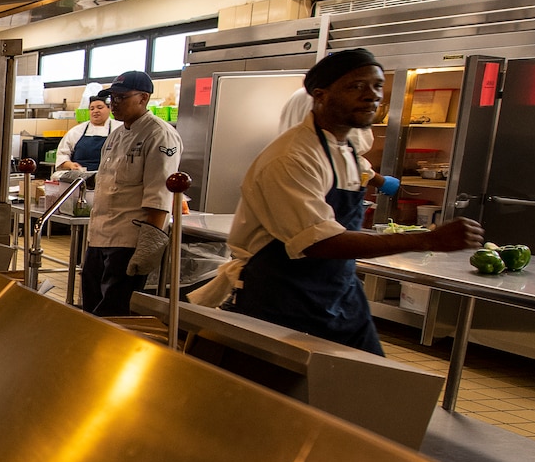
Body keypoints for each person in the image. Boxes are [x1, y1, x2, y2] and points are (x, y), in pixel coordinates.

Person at [190, 47, 482, 354]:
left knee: (367, 384)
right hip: (283, 297)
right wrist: (427, 240)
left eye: (377, 86)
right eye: (355, 86)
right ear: (320, 95)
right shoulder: (292, 157)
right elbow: (319, 243)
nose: (371, 96)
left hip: (339, 293)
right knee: (278, 392)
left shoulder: (347, 150)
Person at [81, 70, 181, 316]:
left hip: (128, 241)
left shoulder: (159, 134)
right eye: (112, 98)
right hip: (100, 236)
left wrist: (149, 246)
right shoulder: (116, 135)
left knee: (114, 314)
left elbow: (159, 194)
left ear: (143, 98)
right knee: (91, 308)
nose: (114, 104)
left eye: (121, 98)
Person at [53, 94, 117, 176]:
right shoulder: (77, 131)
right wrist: (70, 165)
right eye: (92, 109)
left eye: (100, 107)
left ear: (109, 108)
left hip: (108, 176)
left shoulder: (118, 129)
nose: (95, 111)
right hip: (80, 175)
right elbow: (62, 154)